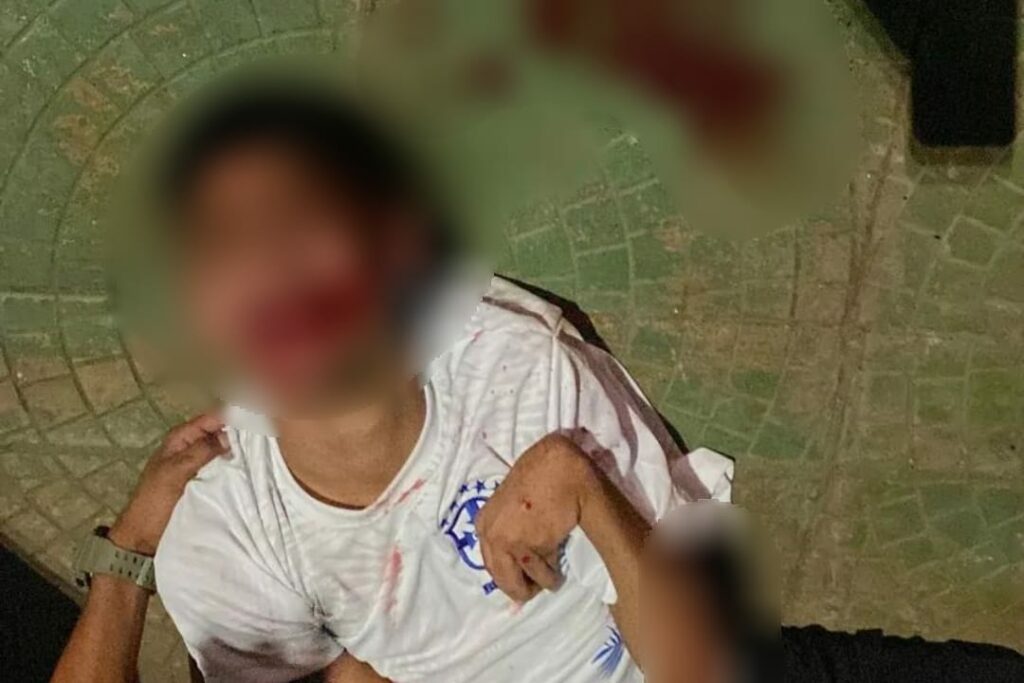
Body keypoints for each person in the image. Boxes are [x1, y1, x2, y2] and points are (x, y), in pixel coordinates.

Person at [115, 80, 732, 683]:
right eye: (222, 246)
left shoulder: (519, 366)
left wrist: (585, 487)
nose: (270, 263)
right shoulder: (223, 539)